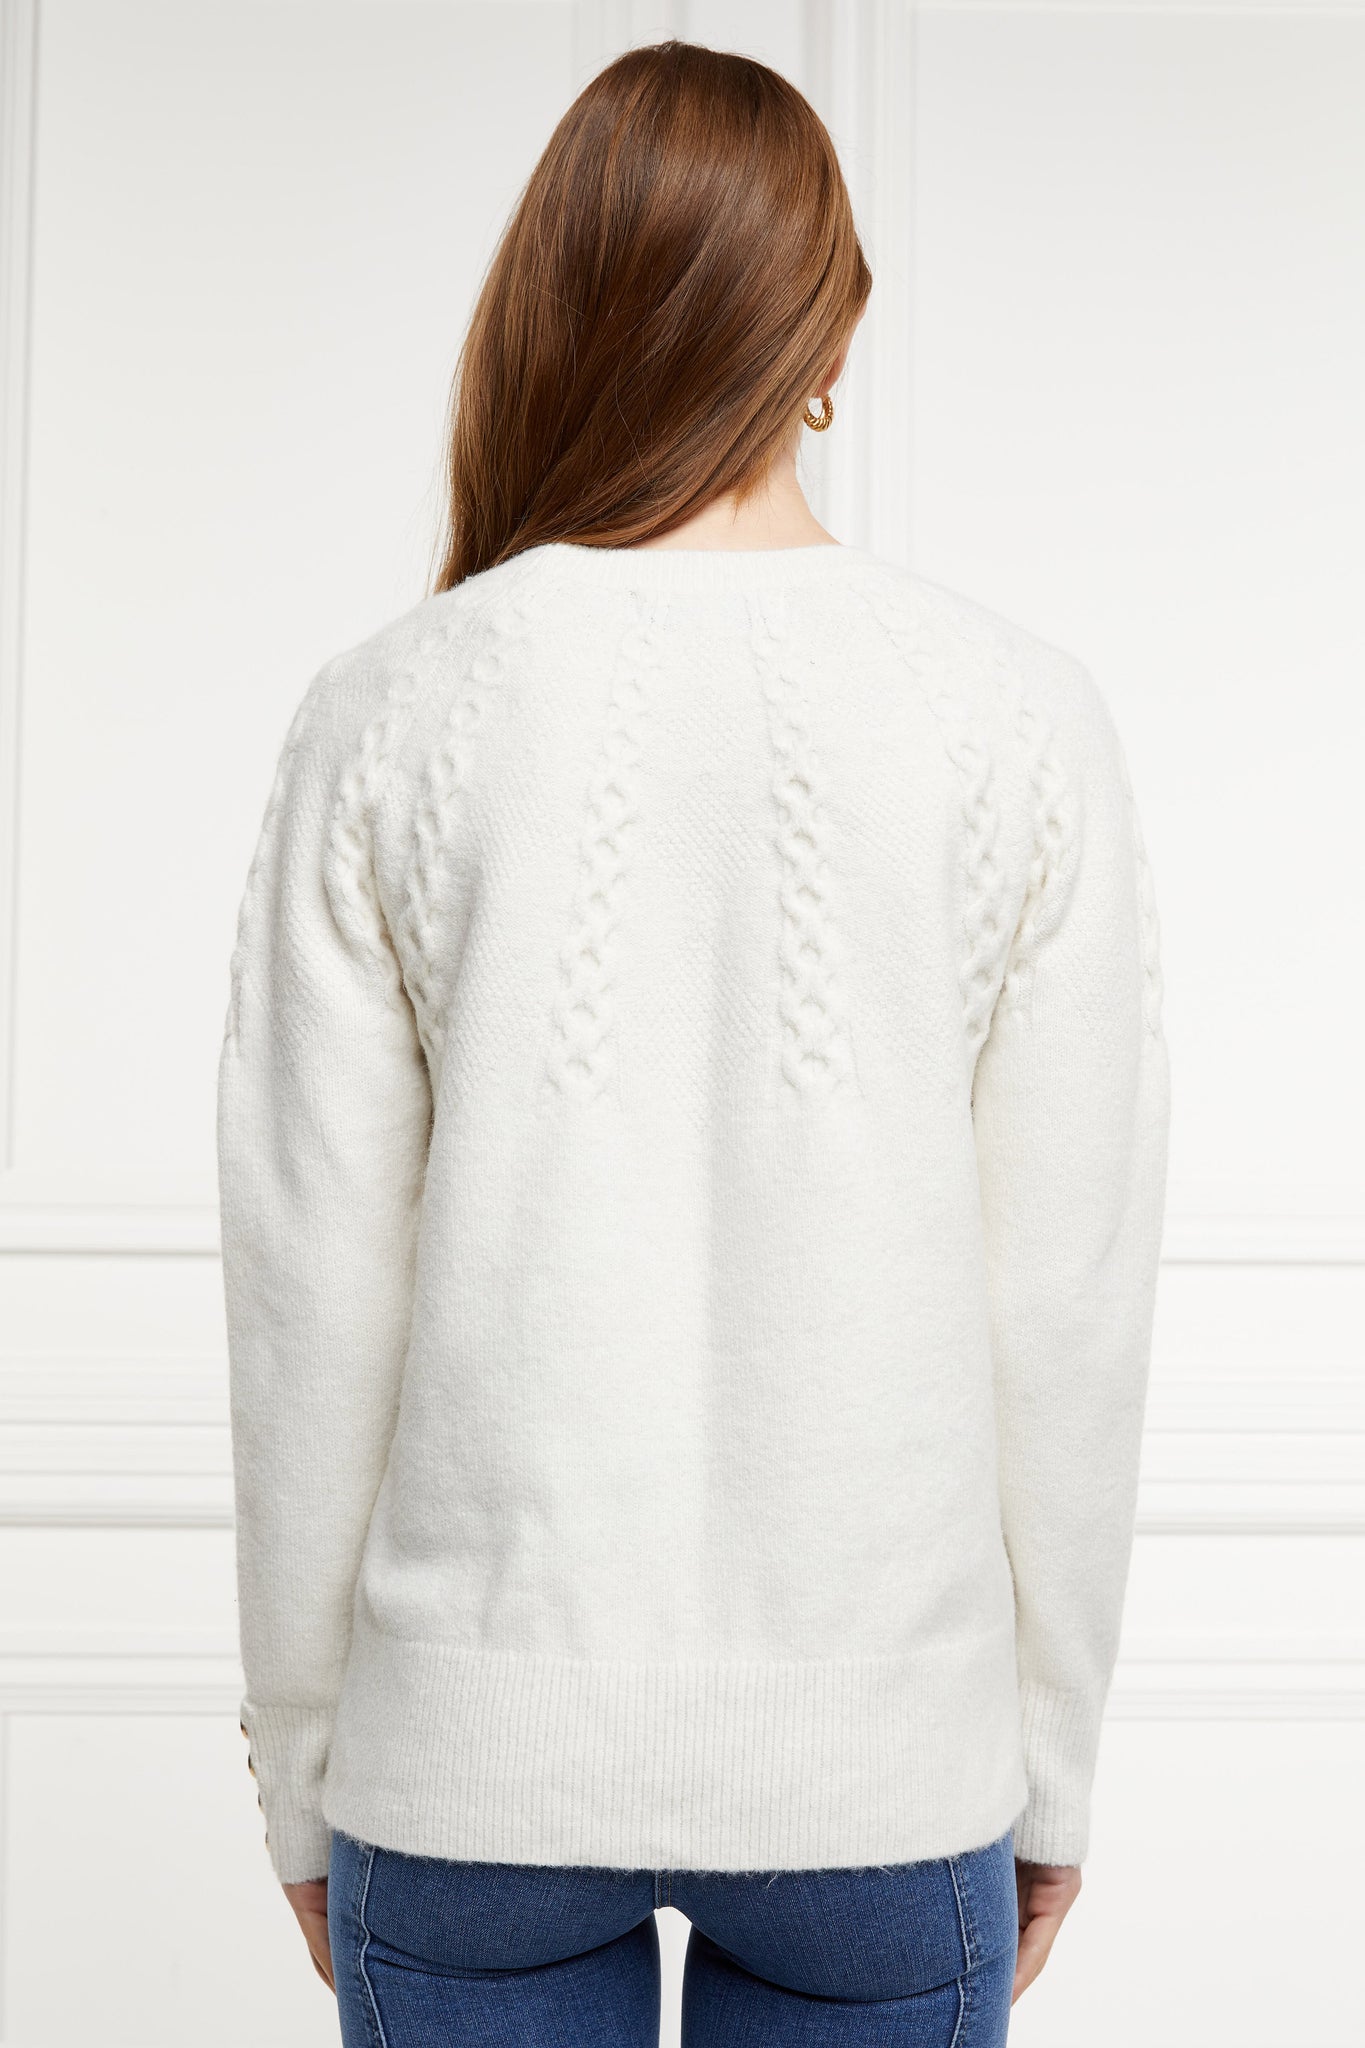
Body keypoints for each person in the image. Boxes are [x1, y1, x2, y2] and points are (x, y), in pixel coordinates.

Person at [217, 38, 1170, 2048]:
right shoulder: (1015, 713)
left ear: (554, 309)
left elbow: (311, 1302)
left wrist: (306, 1775)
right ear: (826, 336)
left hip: (464, 1774)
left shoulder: (387, 710)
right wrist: (1048, 1764)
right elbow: (1064, 1313)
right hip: (883, 1777)